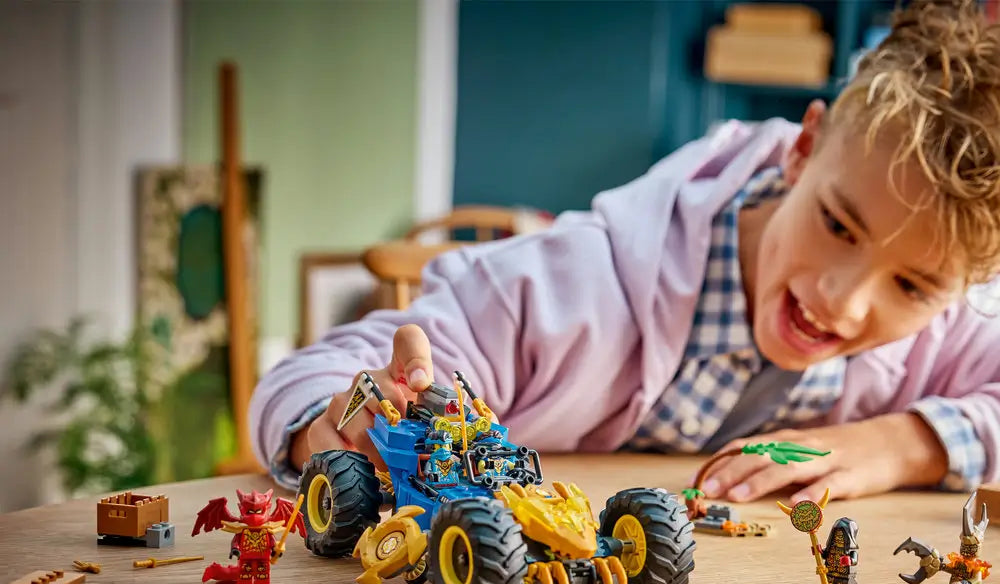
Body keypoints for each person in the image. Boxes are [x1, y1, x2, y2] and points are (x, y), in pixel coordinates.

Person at [250, 0, 1000, 506]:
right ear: (803, 151)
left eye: (914, 285)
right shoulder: (561, 290)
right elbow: (305, 379)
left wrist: (906, 443)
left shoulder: (939, 340)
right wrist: (336, 421)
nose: (845, 299)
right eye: (839, 225)